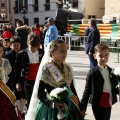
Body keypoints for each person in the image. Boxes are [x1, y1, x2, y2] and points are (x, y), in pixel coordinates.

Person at [26, 39, 85, 120]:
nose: (65, 54)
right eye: (61, 51)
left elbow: (71, 89)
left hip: (69, 104)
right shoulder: (46, 69)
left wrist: (80, 108)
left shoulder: (67, 68)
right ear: (52, 52)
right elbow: (39, 91)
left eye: (66, 51)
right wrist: (52, 103)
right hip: (52, 107)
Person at [81, 43, 120, 120]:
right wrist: (82, 109)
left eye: (106, 55)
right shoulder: (92, 73)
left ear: (109, 55)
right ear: (95, 56)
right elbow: (87, 91)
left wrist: (118, 90)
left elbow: (115, 88)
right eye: (100, 55)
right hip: (97, 102)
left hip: (108, 101)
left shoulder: (112, 71)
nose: (103, 58)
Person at [15, 33, 44, 112]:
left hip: (39, 80)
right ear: (27, 44)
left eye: (36, 47)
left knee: (40, 99)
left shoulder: (42, 52)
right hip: (28, 81)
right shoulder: (21, 54)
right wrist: (17, 82)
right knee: (30, 100)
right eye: (32, 47)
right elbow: (17, 69)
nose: (34, 49)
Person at [0, 43, 19, 119]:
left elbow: (10, 76)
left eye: (1, 51)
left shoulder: (5, 62)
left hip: (6, 92)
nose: (0, 53)